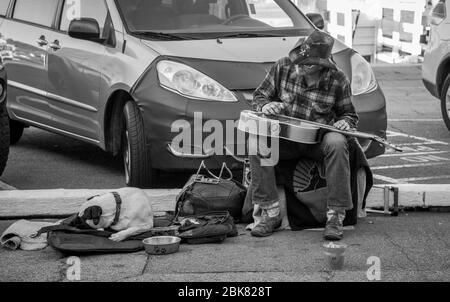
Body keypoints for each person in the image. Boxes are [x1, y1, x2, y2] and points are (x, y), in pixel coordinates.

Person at [249, 29, 359, 241]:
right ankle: (271, 213)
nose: (299, 64)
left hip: (317, 141)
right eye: (299, 58)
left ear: (322, 64)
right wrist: (267, 105)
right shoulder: (282, 66)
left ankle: (335, 217)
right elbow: (260, 96)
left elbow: (349, 114)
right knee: (257, 141)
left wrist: (345, 122)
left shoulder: (337, 79)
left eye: (307, 63)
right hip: (286, 139)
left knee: (337, 142)